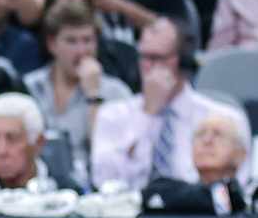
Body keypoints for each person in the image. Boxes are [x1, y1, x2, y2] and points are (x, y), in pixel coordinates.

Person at [90, 18, 235, 187]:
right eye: (144, 57)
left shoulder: (223, 119)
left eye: (158, 58)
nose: (149, 67)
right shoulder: (113, 115)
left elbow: (232, 184)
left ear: (183, 61)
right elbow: (104, 180)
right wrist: (147, 115)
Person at [27, 0, 132, 180]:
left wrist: (94, 96)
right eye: (72, 41)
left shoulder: (116, 93)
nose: (82, 50)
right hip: (36, 184)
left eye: (88, 40)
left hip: (93, 186)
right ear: (52, 44)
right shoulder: (29, 87)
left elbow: (111, 157)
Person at [141, 105, 252, 214]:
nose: (207, 141)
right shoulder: (168, 191)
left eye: (218, 134)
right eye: (200, 134)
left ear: (241, 154)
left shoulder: (253, 200)